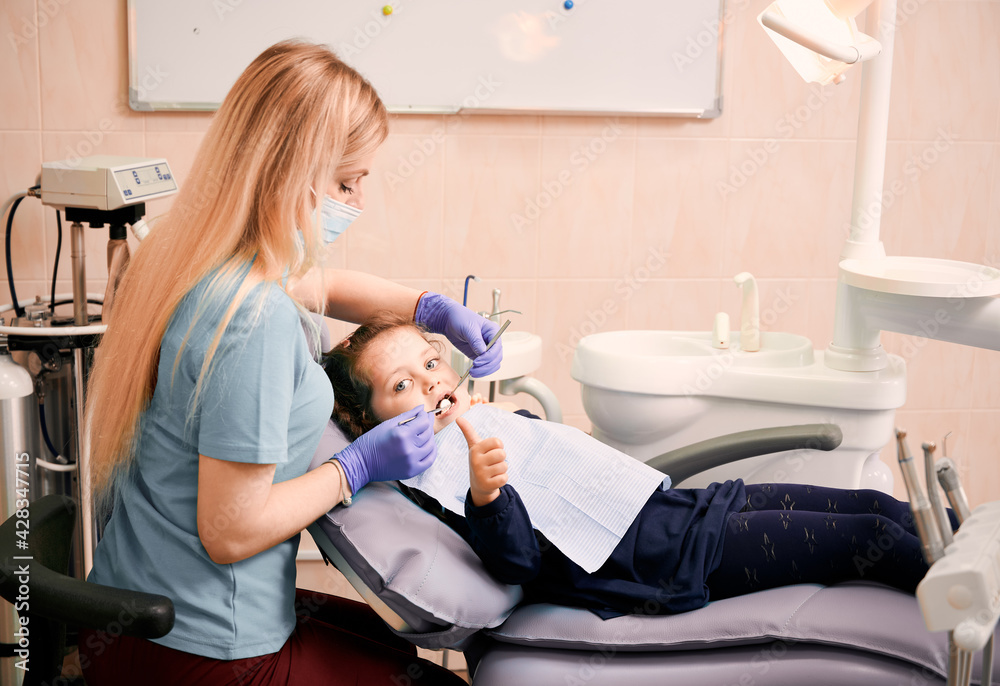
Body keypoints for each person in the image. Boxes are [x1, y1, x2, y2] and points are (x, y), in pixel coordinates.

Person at [80, 41, 496, 685]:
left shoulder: (191, 255)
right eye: (345, 183)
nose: (357, 202)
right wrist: (356, 466)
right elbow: (230, 532)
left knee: (383, 643)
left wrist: (430, 308)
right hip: (200, 649)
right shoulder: (253, 320)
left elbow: (326, 287)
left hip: (133, 610)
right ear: (290, 173)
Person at [324, 314, 950, 619]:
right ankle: (976, 601)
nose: (431, 383)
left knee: (876, 506)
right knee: (868, 538)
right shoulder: (431, 479)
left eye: (430, 362)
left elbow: (554, 467)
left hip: (684, 509)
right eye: (401, 385)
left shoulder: (476, 421)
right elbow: (519, 564)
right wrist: (489, 498)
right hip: (670, 558)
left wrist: (520, 422)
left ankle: (974, 541)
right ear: (367, 421)